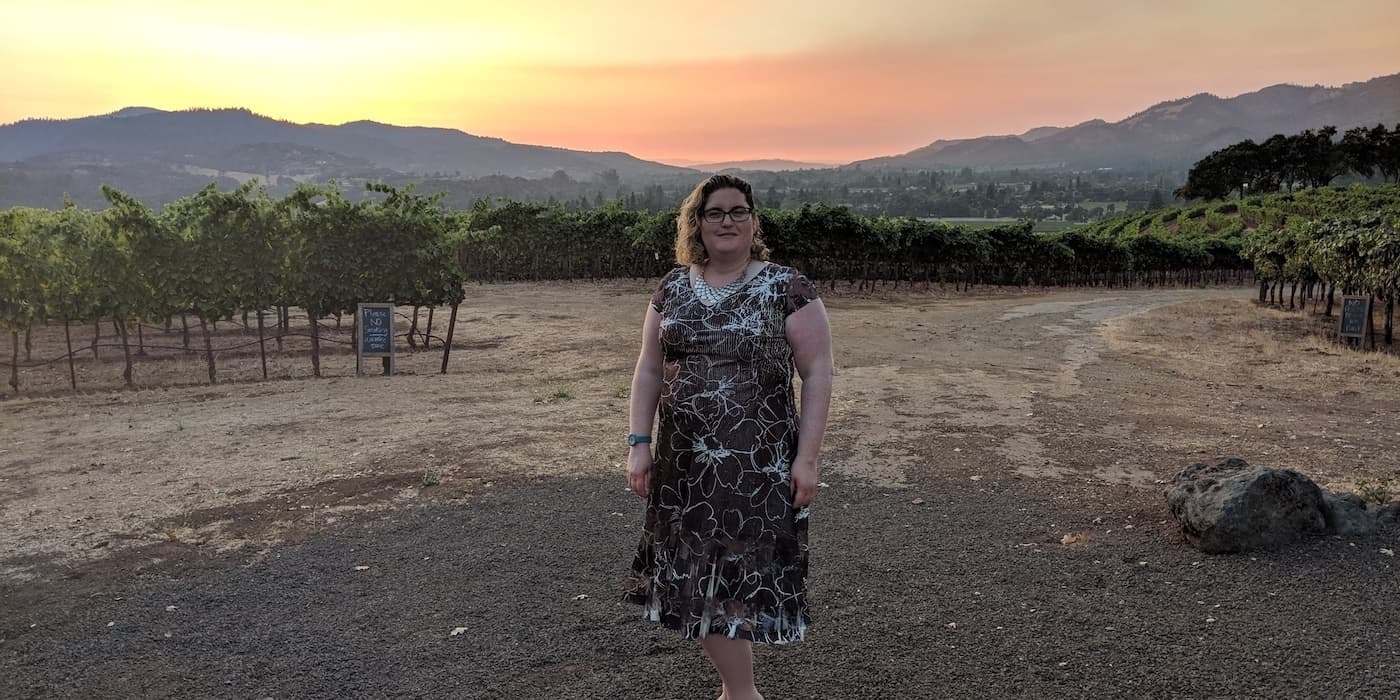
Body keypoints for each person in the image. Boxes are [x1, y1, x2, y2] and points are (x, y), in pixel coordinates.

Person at [623, 174, 833, 700]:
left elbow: (819, 372)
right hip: (684, 464)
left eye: (738, 211)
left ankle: (740, 694)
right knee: (697, 575)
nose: (727, 222)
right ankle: (737, 692)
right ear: (697, 223)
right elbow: (649, 368)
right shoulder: (671, 286)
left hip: (754, 464)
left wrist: (807, 459)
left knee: (734, 574)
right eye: (715, 213)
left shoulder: (788, 287)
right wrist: (638, 443)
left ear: (754, 221)